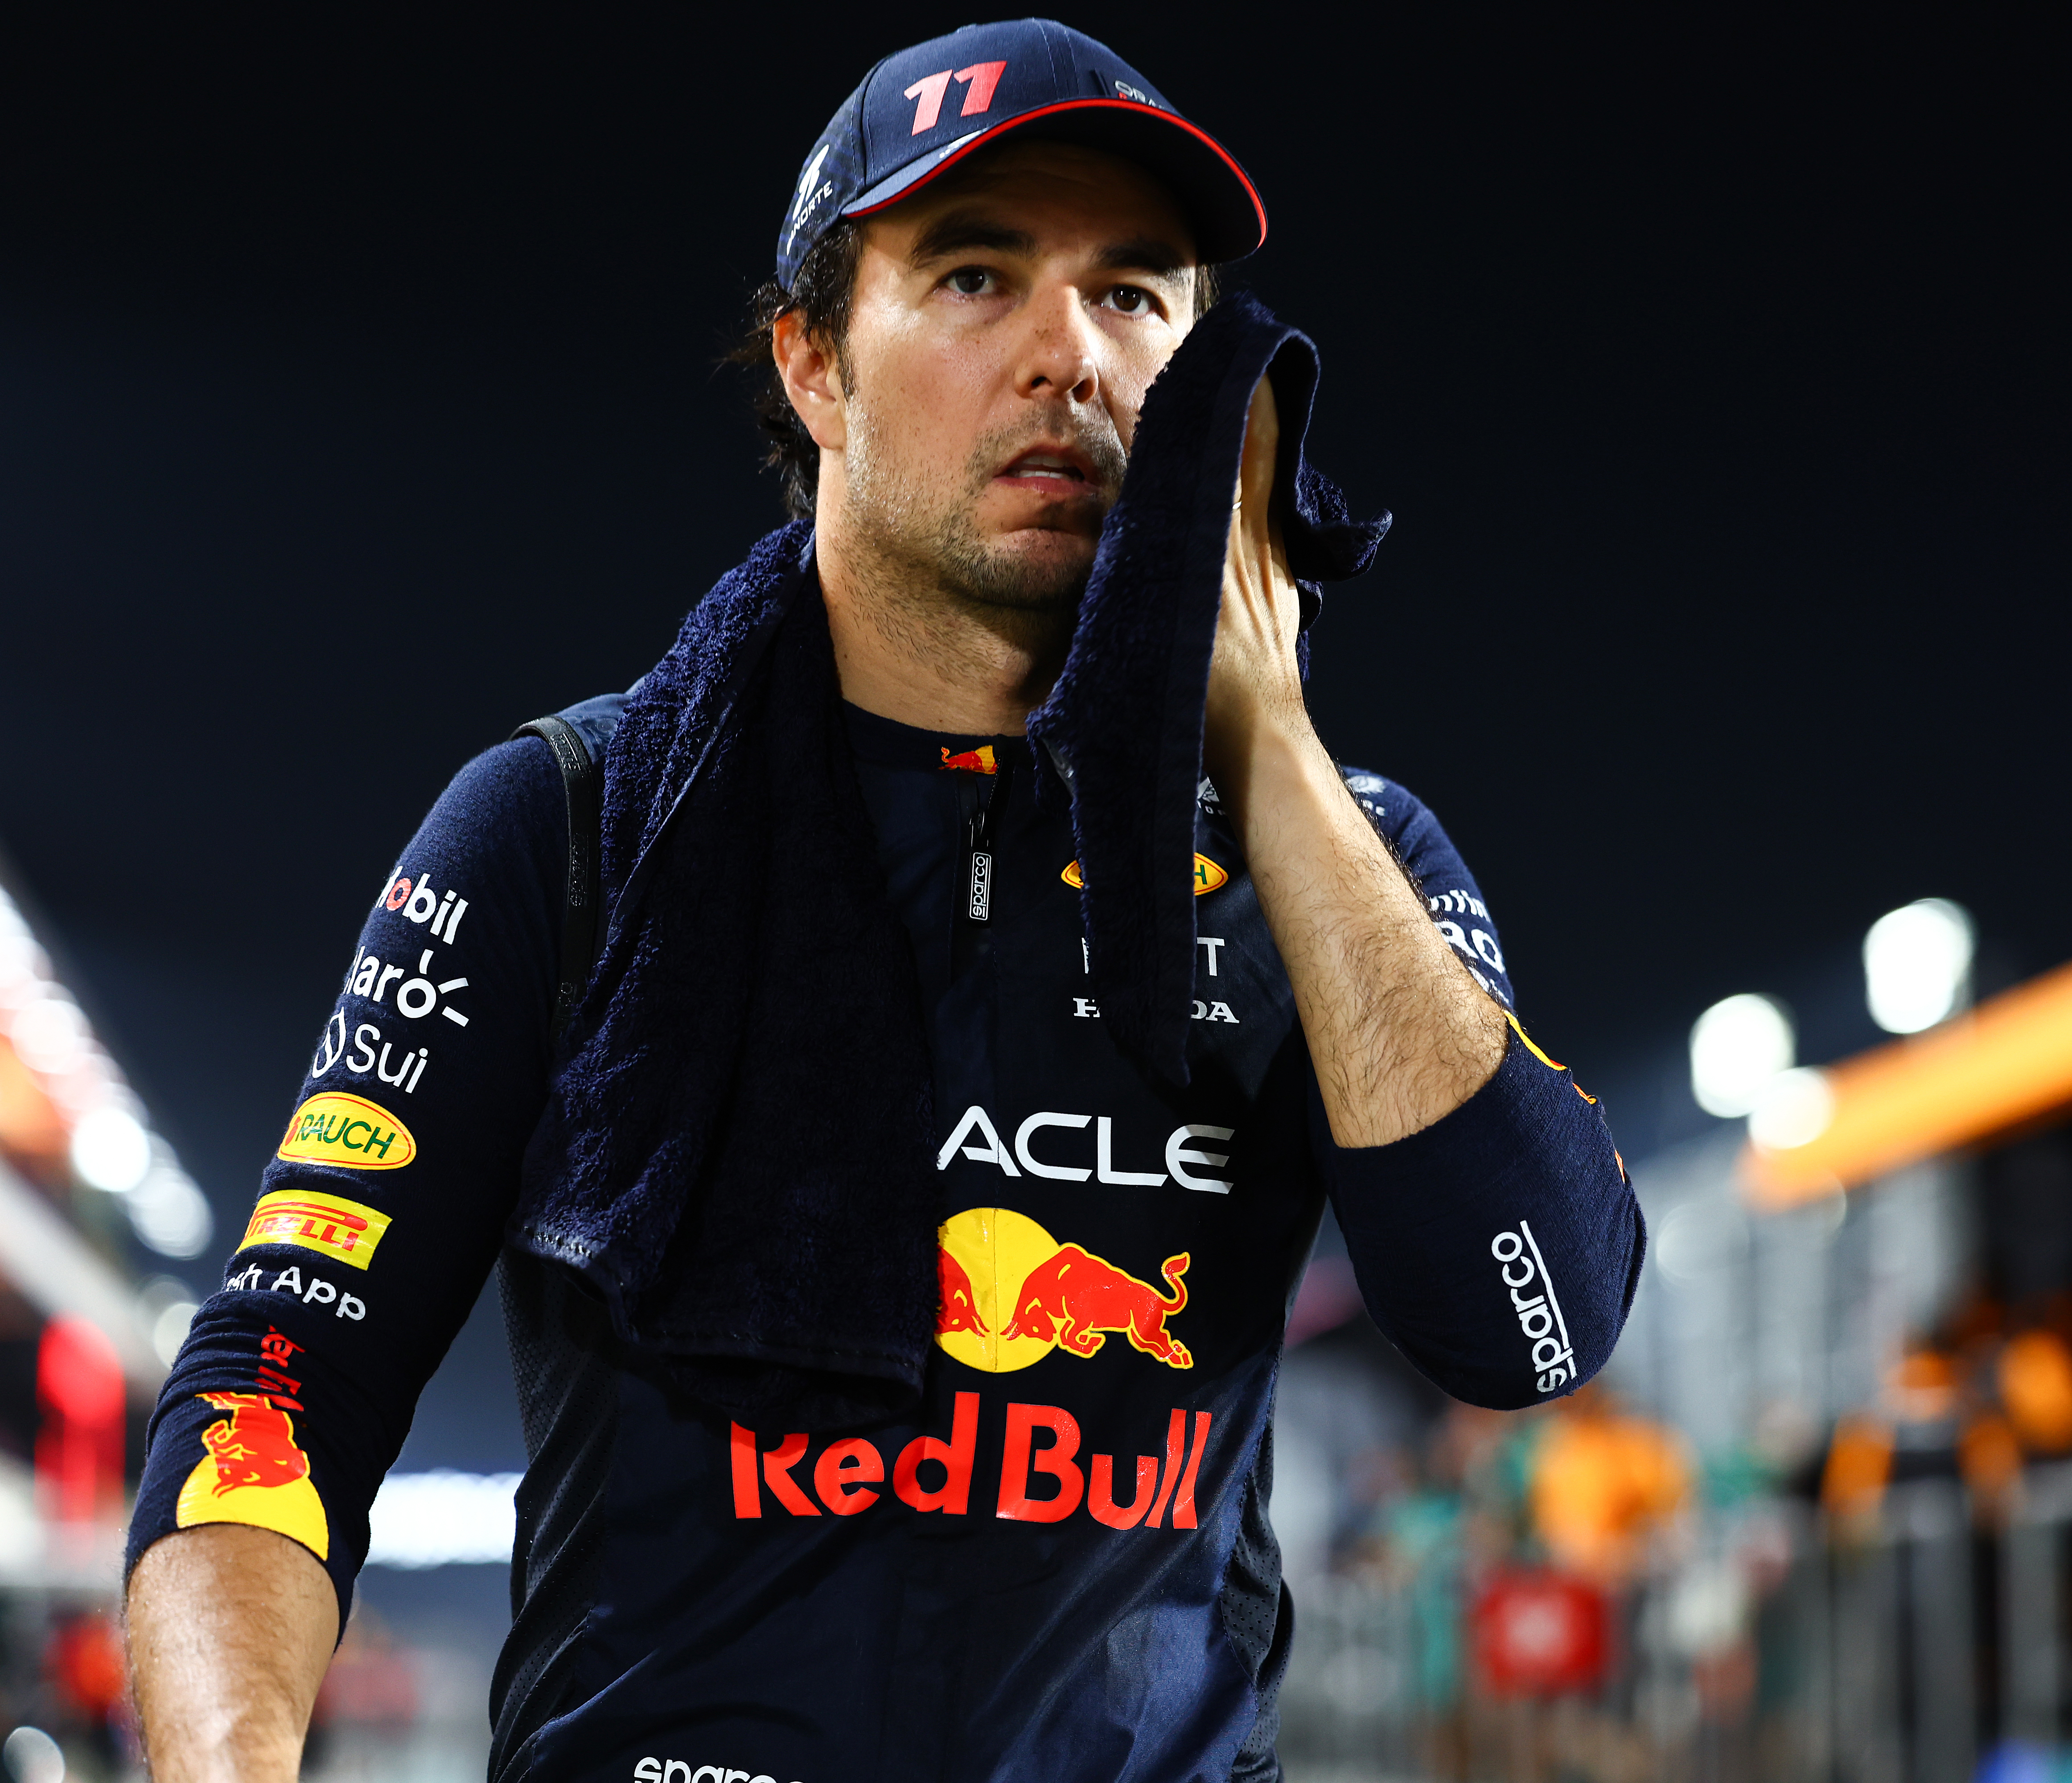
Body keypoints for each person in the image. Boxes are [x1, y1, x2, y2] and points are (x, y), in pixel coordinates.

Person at [120, 21, 1643, 1782]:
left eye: (1135, 295)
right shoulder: (575, 824)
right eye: (978, 275)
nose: (1073, 354)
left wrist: (1271, 750)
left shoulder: (1334, 863)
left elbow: (1530, 1329)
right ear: (813, 365)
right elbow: (279, 1374)